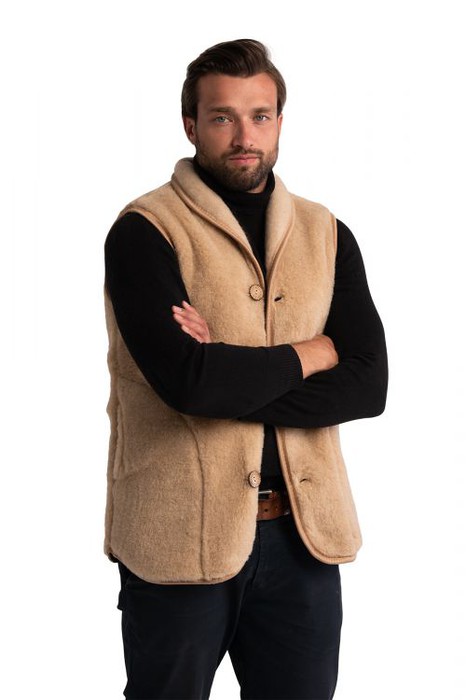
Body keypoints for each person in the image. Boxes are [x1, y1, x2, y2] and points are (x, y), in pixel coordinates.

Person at [103, 38, 388, 700]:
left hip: (302, 540)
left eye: (260, 116)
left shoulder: (327, 233)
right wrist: (312, 354)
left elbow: (369, 386)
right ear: (191, 125)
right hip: (177, 541)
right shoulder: (144, 230)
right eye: (222, 117)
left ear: (280, 121)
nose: (244, 136)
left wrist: (222, 375)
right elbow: (188, 383)